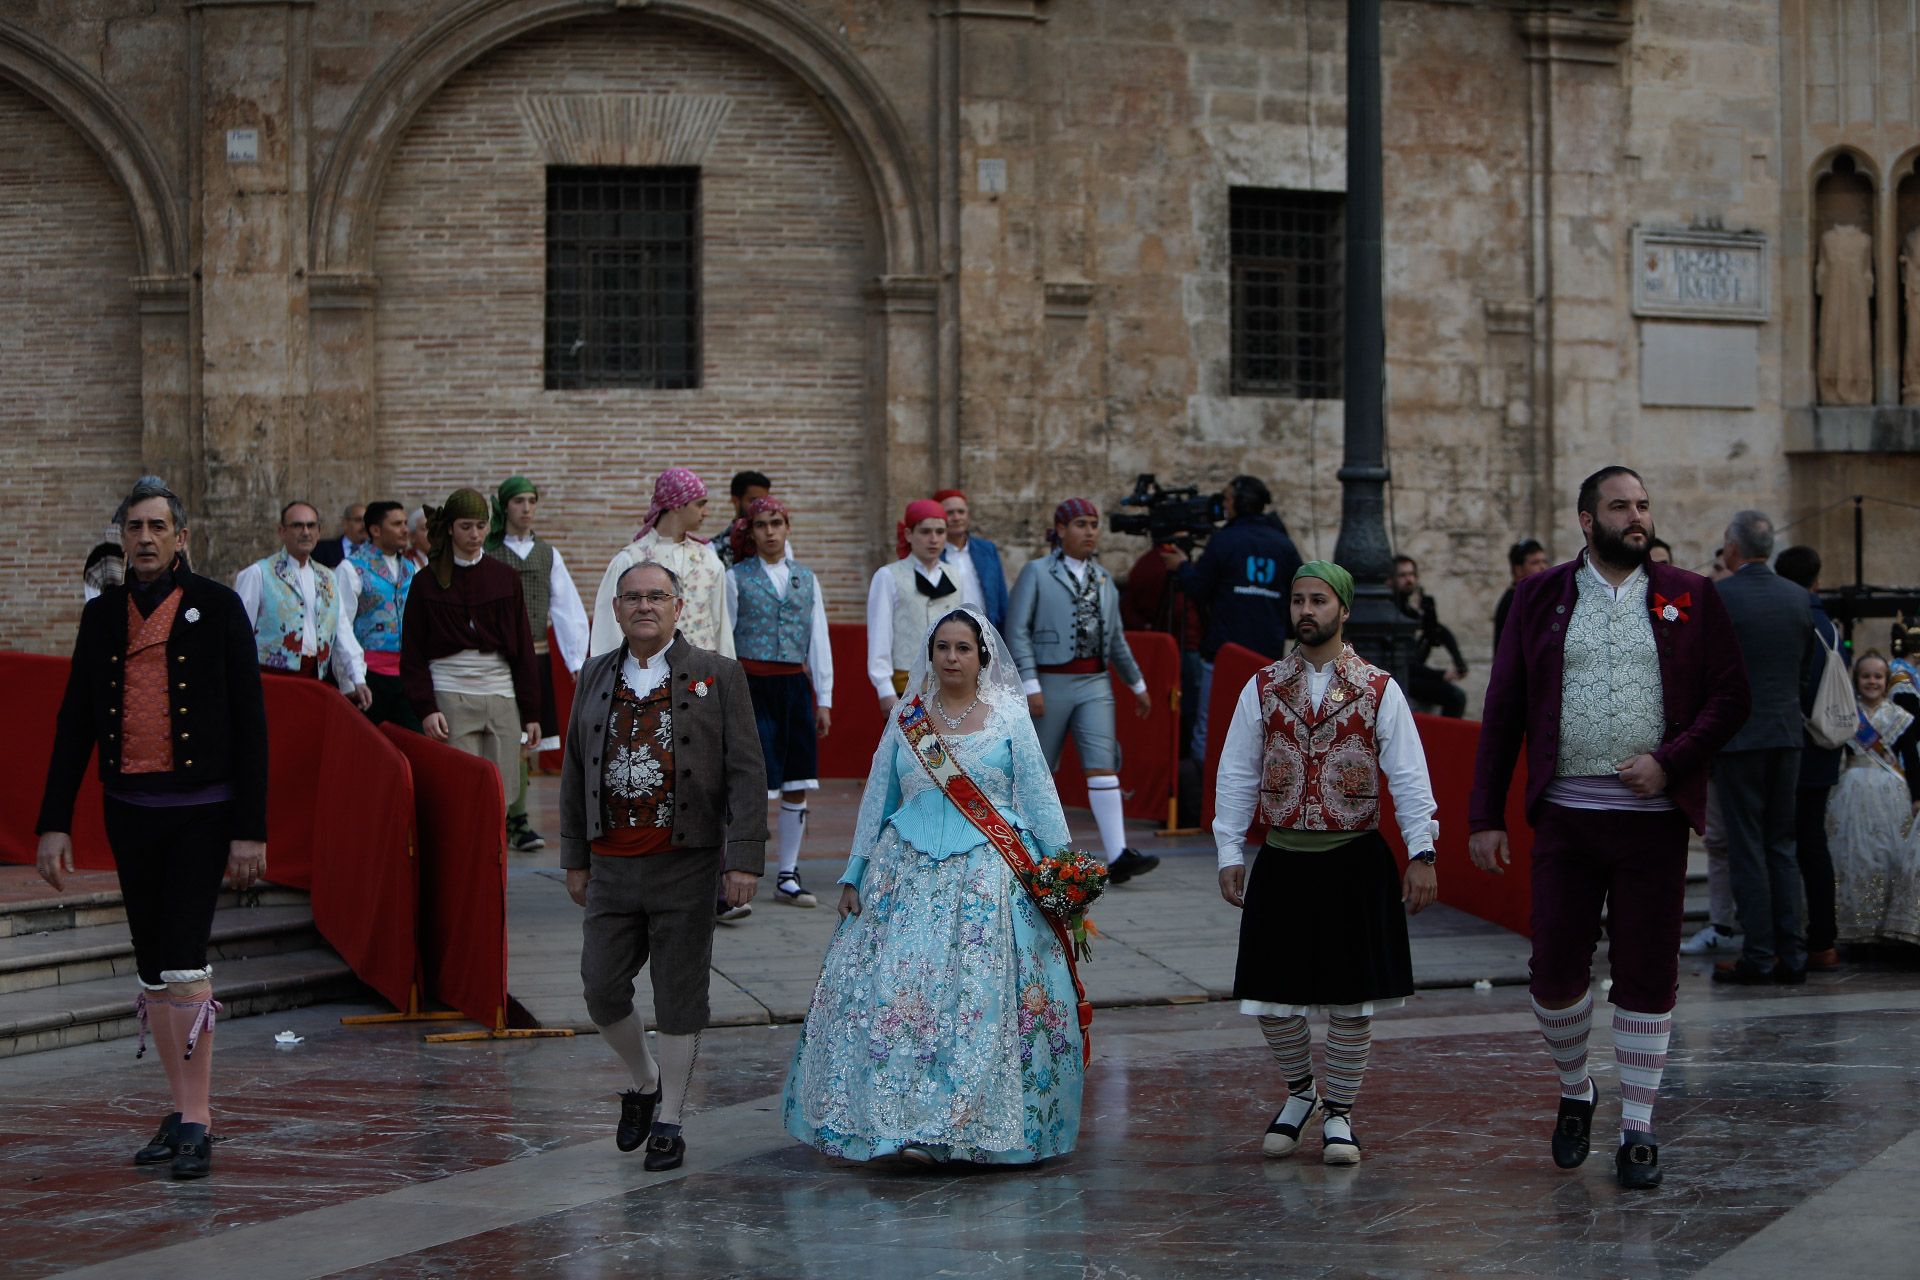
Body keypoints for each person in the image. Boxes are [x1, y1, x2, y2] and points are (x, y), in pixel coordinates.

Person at [1469, 465, 1748, 1190]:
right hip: (1565, 819)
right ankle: (1576, 1090)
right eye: (1620, 506)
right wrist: (1483, 815)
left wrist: (1671, 760)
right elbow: (1503, 711)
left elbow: (1731, 697)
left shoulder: (1691, 594)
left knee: (1648, 975)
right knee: (1554, 975)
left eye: (1644, 505)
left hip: (1652, 823)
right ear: (1587, 521)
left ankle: (1639, 1128)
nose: (1637, 516)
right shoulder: (1537, 597)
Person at [783, 608, 1086, 1165]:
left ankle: (966, 1128)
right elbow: (879, 798)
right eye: (942, 647)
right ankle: (898, 1126)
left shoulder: (1009, 717)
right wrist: (853, 871)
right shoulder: (907, 719)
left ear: (982, 656)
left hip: (988, 879)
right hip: (905, 878)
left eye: (962, 648)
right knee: (901, 997)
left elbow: (1040, 797)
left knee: (979, 1000)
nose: (951, 658)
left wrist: (1064, 875)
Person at [35, 480, 269, 1180]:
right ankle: (179, 1104)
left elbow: (253, 727)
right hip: (130, 809)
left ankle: (198, 1120)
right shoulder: (102, 616)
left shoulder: (219, 608)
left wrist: (250, 830)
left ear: (181, 537)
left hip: (204, 811)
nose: (144, 538)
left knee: (184, 959)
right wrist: (53, 823)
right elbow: (74, 720)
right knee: (151, 965)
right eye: (134, 526)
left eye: (157, 526)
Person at [1212, 561, 1439, 1166]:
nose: (1305, 611)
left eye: (1318, 600)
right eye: (1297, 601)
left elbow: (1409, 777)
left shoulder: (1379, 688)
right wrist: (1229, 848)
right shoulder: (1261, 686)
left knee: (1350, 998)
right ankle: (1301, 1092)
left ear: (1343, 609)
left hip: (1353, 857)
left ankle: (1340, 1112)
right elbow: (1236, 771)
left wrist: (1423, 850)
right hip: (1283, 855)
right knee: (1270, 995)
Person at [561, 561, 767, 1172]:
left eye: (657, 596)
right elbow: (575, 769)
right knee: (601, 988)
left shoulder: (718, 675)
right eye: (633, 598)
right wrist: (574, 857)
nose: (644, 606)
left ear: (680, 607)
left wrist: (746, 858)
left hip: (687, 862)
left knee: (679, 996)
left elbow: (747, 771)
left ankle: (670, 1118)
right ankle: (644, 1081)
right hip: (610, 864)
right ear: (617, 609)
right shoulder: (594, 674)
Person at [1006, 497, 1159, 885]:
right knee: (1038, 768)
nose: (1090, 531)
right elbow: (1017, 628)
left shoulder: (1104, 579)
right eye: (1081, 524)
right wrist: (1030, 682)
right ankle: (1024, 848)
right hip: (1050, 678)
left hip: (1095, 680)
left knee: (1102, 763)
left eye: (1094, 524)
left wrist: (1137, 683)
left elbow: (1116, 638)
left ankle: (1120, 853)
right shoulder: (1037, 572)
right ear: (1060, 530)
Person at [1710, 511, 1819, 986]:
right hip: (1786, 734)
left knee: (1747, 847)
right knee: (1782, 845)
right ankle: (1793, 954)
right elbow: (1804, 668)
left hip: (1739, 740)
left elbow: (1706, 669)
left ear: (1734, 548)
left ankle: (1758, 954)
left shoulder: (1720, 596)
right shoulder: (1800, 599)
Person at [400, 489, 542, 827]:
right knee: (460, 792)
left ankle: (493, 874)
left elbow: (522, 646)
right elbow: (413, 650)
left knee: (501, 793)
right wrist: (426, 707)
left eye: (480, 526)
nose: (475, 535)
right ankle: (463, 874)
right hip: (450, 693)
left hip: (501, 693)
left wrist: (533, 711)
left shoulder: (504, 577)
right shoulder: (426, 582)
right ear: (449, 527)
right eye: (466, 526)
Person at [725, 496, 833, 909]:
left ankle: (787, 872)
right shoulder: (735, 578)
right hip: (751, 685)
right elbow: (726, 639)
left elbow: (818, 639)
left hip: (793, 687)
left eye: (777, 523)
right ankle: (736, 874)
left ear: (788, 527)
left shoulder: (806, 579)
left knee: (797, 780)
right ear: (750, 533)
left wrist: (824, 697)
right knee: (748, 781)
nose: (770, 531)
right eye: (762, 525)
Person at [1162, 475, 1302, 758]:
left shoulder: (1224, 540)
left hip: (1223, 653)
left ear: (1238, 503)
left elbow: (1199, 588)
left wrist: (1182, 567)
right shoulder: (1284, 546)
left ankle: (1205, 793)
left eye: (1227, 498)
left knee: (1211, 726)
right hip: (1268, 655)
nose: (1223, 505)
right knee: (1264, 729)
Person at [486, 476, 590, 853]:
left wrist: (576, 659)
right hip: (495, 658)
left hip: (537, 654)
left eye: (531, 500)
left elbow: (566, 608)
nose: (526, 508)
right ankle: (498, 816)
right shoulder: (487, 551)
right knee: (497, 737)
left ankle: (517, 820)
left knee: (525, 741)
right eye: (518, 501)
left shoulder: (547, 554)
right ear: (504, 507)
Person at [1774, 544, 1845, 970]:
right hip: (1825, 747)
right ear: (1817, 579)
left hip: (1793, 744)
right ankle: (1824, 939)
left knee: (1783, 844)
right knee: (1815, 845)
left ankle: (1791, 940)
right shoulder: (1830, 625)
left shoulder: (1794, 621)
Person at [234, 501, 369, 707]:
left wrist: (357, 677)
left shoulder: (328, 577)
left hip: (315, 677)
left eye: (311, 525)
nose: (305, 532)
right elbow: (238, 634)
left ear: (319, 531)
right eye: (297, 525)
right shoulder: (258, 573)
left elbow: (341, 629)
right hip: (270, 678)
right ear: (282, 531)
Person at [1828, 651, 1920, 946]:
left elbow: (1911, 759)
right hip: (1851, 792)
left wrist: (1917, 796)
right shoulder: (1846, 715)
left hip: (1892, 795)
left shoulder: (1900, 717)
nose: (1872, 682)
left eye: (1878, 676)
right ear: (1856, 680)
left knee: (1890, 856)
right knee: (1854, 857)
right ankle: (1855, 926)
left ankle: (1886, 927)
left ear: (1887, 680)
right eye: (1866, 676)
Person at [591, 469, 732, 660]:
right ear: (677, 505)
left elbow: (721, 626)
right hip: (645, 672)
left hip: (700, 674)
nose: (705, 512)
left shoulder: (709, 560)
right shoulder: (630, 560)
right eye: (700, 504)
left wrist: (728, 678)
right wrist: (609, 679)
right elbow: (608, 628)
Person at [1682, 547, 1742, 956]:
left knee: (1734, 842)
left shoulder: (1725, 615)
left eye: (1719, 568)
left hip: (1729, 748)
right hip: (1707, 748)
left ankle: (1734, 924)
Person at [866, 499, 982, 710]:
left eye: (940, 532)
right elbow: (879, 635)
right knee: (912, 744)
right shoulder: (888, 576)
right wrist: (884, 690)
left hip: (950, 687)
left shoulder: (955, 575)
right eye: (926, 532)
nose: (934, 539)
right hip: (905, 685)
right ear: (909, 534)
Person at [335, 500, 421, 732]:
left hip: (406, 674)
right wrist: (351, 679)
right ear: (375, 530)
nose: (405, 529)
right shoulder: (351, 568)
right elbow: (341, 624)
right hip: (369, 674)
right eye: (397, 524)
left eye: (405, 523)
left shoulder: (410, 568)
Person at [1391, 554, 1468, 718]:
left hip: (1413, 676)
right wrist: (1441, 675)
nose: (1409, 580)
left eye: (1411, 575)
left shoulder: (1410, 611)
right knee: (1455, 697)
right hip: (1399, 678)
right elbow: (1405, 662)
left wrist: (1458, 660)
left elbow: (1438, 632)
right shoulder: (1392, 612)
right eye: (1403, 575)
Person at [935, 488, 1010, 633]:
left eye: (961, 512)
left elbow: (1001, 598)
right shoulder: (934, 555)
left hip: (985, 631)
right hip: (946, 632)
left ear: (968, 515)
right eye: (949, 513)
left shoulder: (987, 550)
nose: (956, 517)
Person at [1491, 538, 1549, 653]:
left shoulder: (1533, 598)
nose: (1543, 567)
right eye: (1535, 563)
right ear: (1518, 570)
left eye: (1544, 561)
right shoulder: (1513, 602)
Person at [716, 469, 772, 568]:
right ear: (736, 500)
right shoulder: (716, 547)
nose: (760, 507)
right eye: (754, 500)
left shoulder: (777, 543)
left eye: (764, 501)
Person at [313, 501, 366, 569]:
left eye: (367, 521)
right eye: (358, 520)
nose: (364, 525)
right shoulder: (322, 549)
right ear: (345, 522)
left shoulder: (375, 552)